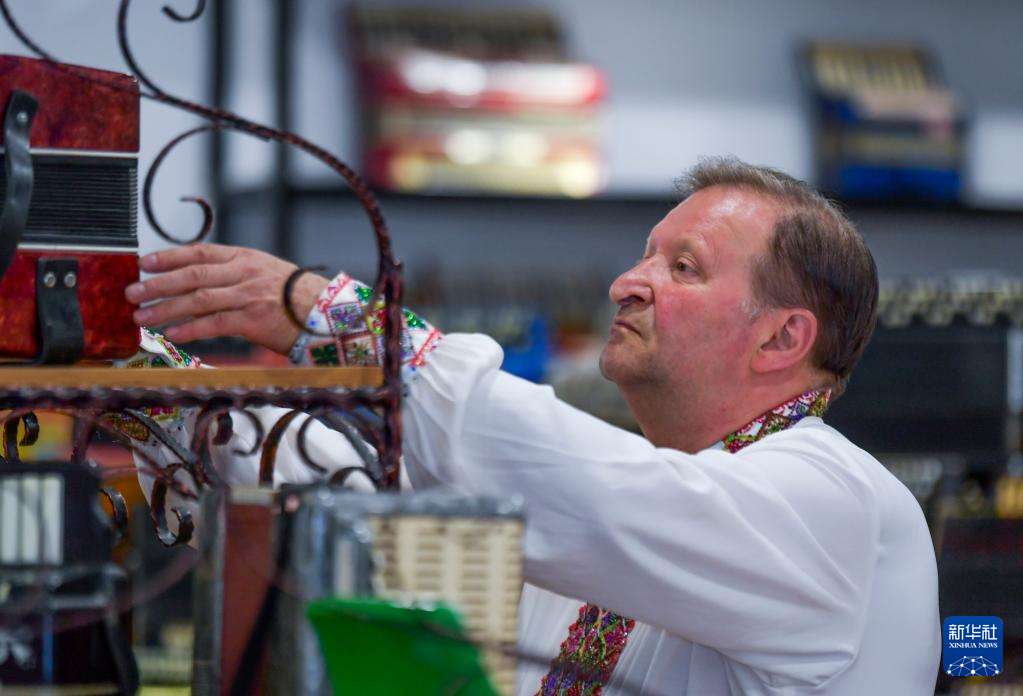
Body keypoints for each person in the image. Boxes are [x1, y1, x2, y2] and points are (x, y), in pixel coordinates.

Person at [123, 157, 940, 695]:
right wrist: (153, 388)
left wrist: (342, 323)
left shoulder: (834, 497)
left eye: (682, 267)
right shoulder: (639, 494)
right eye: (645, 254)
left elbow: (590, 496)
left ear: (781, 339)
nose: (627, 282)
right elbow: (367, 504)